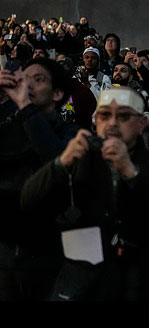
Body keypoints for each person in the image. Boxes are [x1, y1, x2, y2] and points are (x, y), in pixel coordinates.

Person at [20, 87, 149, 301]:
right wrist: (61, 163)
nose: (113, 123)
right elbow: (29, 199)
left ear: (141, 123)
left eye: (124, 116)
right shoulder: (79, 158)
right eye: (105, 115)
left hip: (145, 277)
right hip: (87, 280)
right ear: (96, 120)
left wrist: (130, 172)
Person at [0, 57, 78, 301]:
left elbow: (54, 162)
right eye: (24, 78)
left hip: (50, 257)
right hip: (6, 257)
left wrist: (24, 105)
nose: (27, 84)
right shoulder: (10, 127)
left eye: (38, 79)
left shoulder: (71, 134)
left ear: (57, 93)